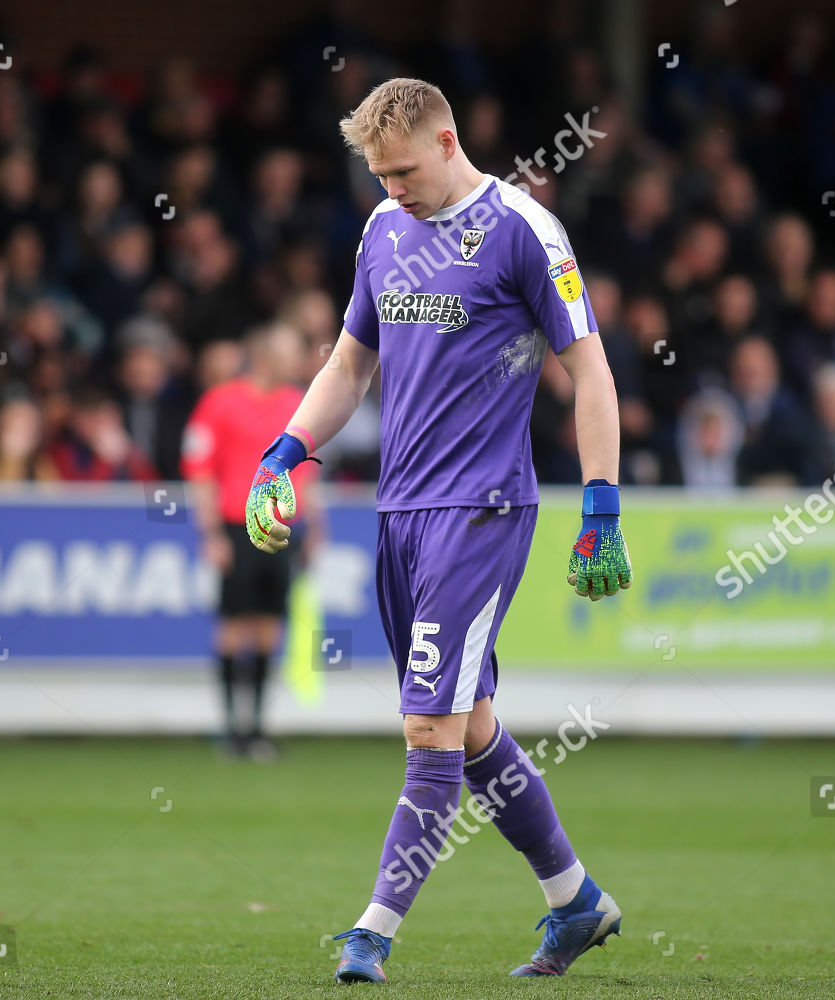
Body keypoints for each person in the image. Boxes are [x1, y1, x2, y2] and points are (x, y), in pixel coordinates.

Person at [243, 79, 630, 983]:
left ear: (449, 140)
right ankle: (574, 900)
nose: (392, 189)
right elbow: (349, 365)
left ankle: (372, 931)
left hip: (483, 509)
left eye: (403, 170)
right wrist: (286, 449)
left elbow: (594, 374)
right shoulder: (382, 233)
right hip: (401, 511)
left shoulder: (523, 232)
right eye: (378, 175)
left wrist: (602, 506)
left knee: (427, 732)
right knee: (472, 726)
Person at [181, 322, 319, 758]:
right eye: (288, 351)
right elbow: (200, 470)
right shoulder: (220, 402)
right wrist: (210, 533)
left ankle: (256, 727)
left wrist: (314, 527)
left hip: (280, 528)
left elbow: (306, 472)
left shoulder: (297, 403)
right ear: (263, 355)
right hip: (236, 526)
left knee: (268, 625)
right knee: (233, 623)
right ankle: (230, 728)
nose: (296, 359)